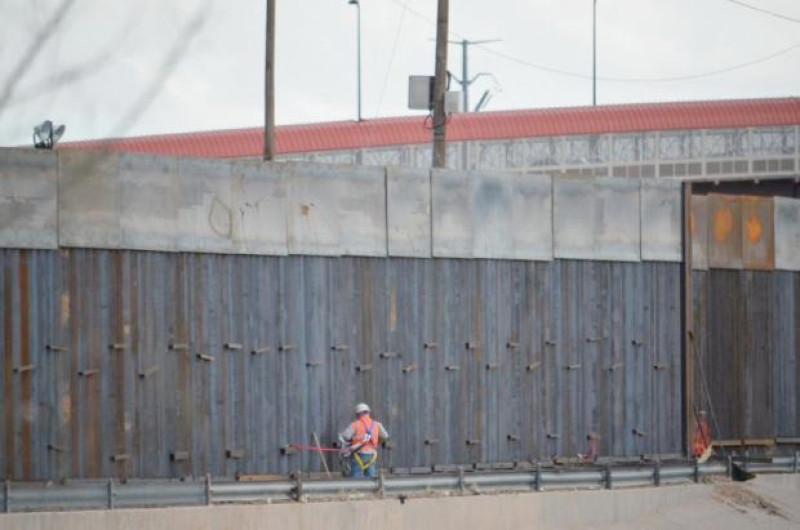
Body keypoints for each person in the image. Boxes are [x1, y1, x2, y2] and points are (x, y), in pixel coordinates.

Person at [338, 402, 389, 477]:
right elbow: (385, 436)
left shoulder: (355, 424)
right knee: (370, 479)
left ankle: (356, 489)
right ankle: (370, 488)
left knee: (356, 479)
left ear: (359, 414)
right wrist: (377, 442)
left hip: (358, 454)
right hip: (372, 454)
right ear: (368, 412)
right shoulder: (377, 424)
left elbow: (346, 436)